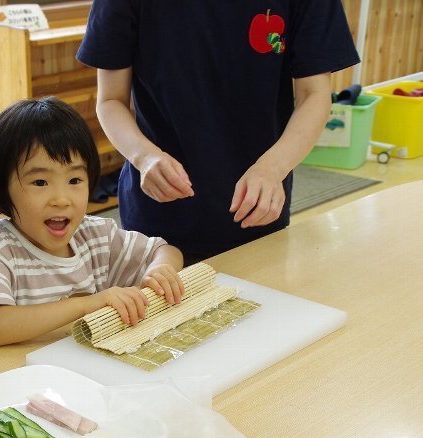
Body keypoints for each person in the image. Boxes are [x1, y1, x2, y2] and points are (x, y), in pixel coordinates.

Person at [77, 1, 361, 264]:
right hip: (160, 215)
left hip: (258, 207)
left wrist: (273, 168)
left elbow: (315, 95)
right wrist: (144, 156)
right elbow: (111, 99)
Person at [0, 97, 184, 351]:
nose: (61, 199)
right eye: (40, 183)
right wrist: (86, 305)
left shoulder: (94, 236)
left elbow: (165, 250)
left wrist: (160, 269)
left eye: (75, 180)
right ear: (1, 189)